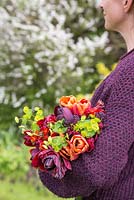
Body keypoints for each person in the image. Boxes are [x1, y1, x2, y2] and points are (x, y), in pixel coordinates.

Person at [39, 0, 134, 199]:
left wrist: (50, 158)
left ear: (126, 2)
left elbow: (97, 170)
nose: (100, 4)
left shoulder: (130, 74)